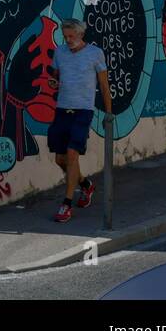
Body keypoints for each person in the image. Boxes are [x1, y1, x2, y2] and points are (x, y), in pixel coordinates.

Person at [49, 18, 114, 223]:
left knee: (71, 155)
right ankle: (85, 185)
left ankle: (66, 204)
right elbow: (57, 75)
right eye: (65, 36)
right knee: (60, 160)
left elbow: (104, 85)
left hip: (83, 111)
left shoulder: (95, 54)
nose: (68, 40)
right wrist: (54, 80)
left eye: (72, 36)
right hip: (62, 109)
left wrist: (109, 113)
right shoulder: (60, 53)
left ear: (81, 35)